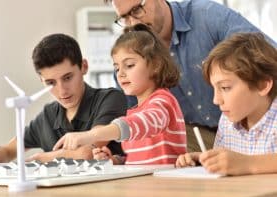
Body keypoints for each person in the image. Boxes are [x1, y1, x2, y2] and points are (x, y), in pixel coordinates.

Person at [104, 0, 277, 152]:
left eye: (136, 10)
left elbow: (268, 60)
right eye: (124, 17)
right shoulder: (129, 62)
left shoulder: (207, 16)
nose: (133, 22)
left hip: (248, 127)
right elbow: (133, 121)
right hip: (195, 137)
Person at [0, 33, 127, 166]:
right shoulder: (48, 115)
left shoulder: (110, 99)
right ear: (41, 80)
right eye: (50, 83)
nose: (62, 90)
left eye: (67, 78)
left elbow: (88, 153)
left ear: (84, 66)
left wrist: (40, 158)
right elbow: (9, 151)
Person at [53, 24, 186, 165]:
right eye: (116, 68)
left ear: (156, 65)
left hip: (164, 184)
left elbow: (142, 123)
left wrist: (90, 135)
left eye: (129, 65)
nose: (120, 74)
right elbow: (140, 160)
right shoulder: (134, 112)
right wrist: (115, 160)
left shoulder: (162, 102)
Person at [176, 32, 277, 175]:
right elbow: (231, 165)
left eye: (225, 88)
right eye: (214, 88)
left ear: (262, 85)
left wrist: (247, 164)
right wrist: (207, 160)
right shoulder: (227, 121)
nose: (216, 100)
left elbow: (243, 165)